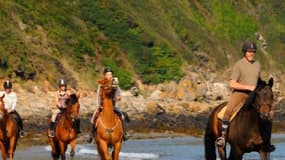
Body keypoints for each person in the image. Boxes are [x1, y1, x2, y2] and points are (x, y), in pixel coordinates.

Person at [216, 42, 275, 152]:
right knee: (228, 111)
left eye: (253, 51)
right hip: (240, 93)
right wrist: (247, 87)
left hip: (254, 94)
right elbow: (232, 83)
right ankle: (222, 138)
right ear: (244, 52)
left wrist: (264, 86)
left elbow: (257, 80)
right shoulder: (239, 65)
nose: (251, 53)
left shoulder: (257, 65)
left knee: (268, 113)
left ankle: (267, 142)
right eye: (249, 51)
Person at [87, 67, 129, 143]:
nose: (110, 76)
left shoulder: (115, 84)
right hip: (102, 106)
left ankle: (125, 134)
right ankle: (91, 135)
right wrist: (99, 105)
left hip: (112, 106)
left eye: (111, 74)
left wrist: (118, 97)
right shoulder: (101, 84)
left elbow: (118, 94)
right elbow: (98, 95)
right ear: (105, 75)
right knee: (93, 119)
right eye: (108, 74)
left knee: (122, 116)